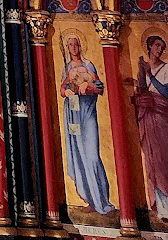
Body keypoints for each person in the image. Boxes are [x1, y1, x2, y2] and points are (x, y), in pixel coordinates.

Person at [60, 34, 112, 213]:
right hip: (73, 114)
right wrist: (66, 91)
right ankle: (89, 199)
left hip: (87, 113)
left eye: (76, 44)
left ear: (80, 46)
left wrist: (87, 87)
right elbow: (62, 88)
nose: (73, 47)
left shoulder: (88, 65)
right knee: (78, 152)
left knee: (91, 154)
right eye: (70, 45)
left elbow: (100, 87)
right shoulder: (67, 68)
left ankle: (102, 200)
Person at [135, 33, 168, 217]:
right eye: (157, 45)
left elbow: (165, 92)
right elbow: (142, 91)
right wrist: (141, 75)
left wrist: (150, 75)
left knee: (164, 161)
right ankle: (161, 208)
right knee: (152, 162)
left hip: (162, 119)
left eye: (162, 46)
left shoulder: (166, 68)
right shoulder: (144, 67)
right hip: (147, 118)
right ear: (149, 47)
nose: (160, 49)